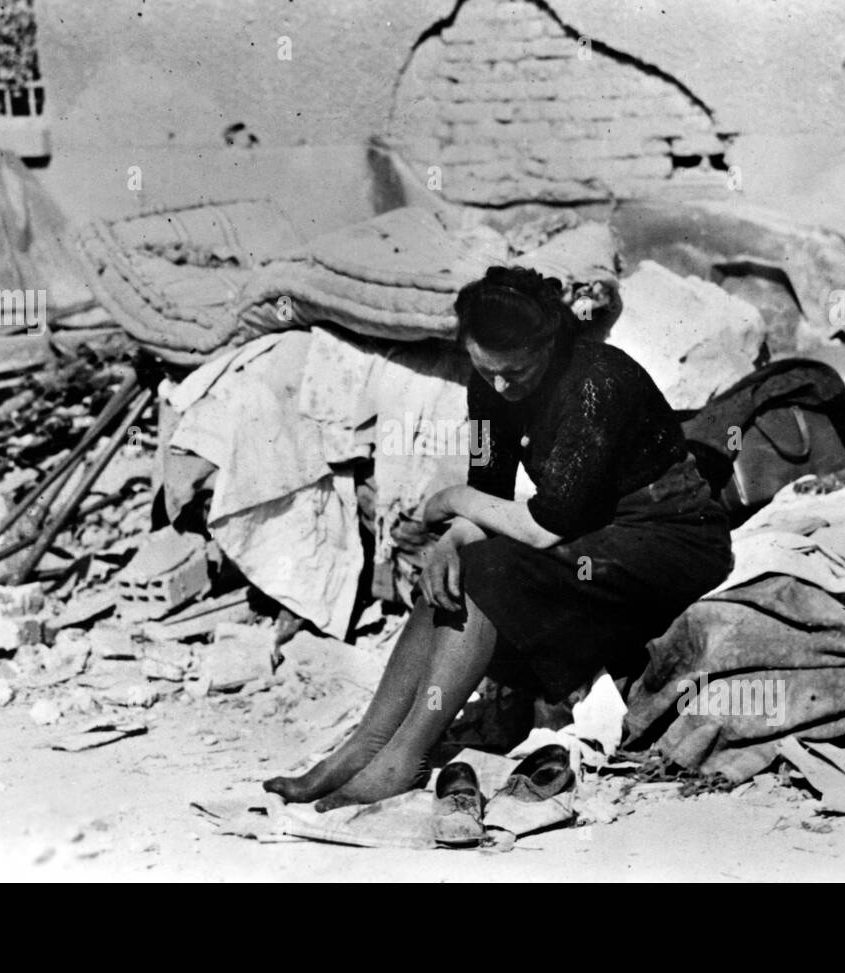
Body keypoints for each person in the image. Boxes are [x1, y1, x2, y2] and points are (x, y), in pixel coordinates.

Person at [264, 266, 732, 811]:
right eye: (487, 370)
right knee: (450, 572)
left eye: (516, 371)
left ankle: (405, 758)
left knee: (486, 570)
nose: (502, 386)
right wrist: (449, 542)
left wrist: (451, 500)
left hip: (671, 538)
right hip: (593, 529)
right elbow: (490, 489)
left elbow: (543, 525)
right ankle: (365, 745)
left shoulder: (596, 381)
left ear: (550, 343)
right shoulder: (489, 388)